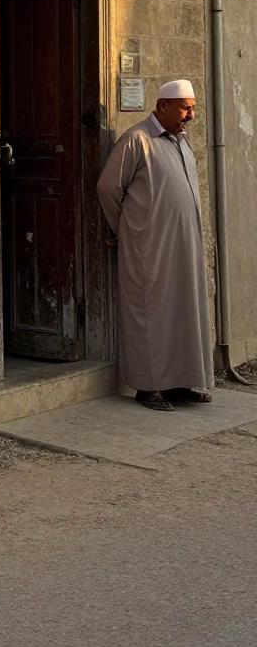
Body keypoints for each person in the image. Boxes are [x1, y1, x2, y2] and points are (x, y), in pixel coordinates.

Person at [96, 80, 214, 412]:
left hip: (184, 246)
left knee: (182, 309)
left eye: (192, 107)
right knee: (150, 314)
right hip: (148, 246)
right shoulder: (137, 140)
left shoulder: (182, 141)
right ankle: (149, 388)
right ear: (162, 105)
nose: (191, 115)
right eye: (184, 107)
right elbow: (108, 188)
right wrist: (125, 228)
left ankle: (179, 382)